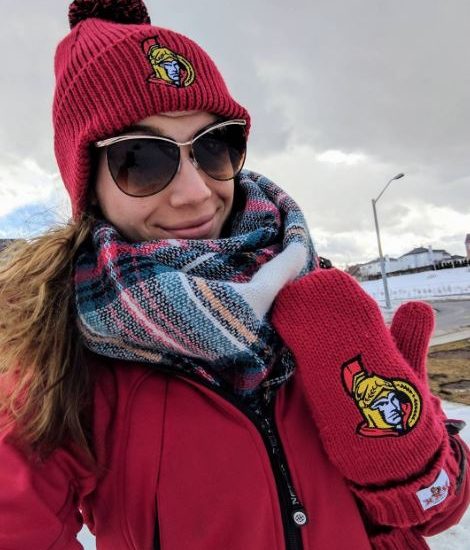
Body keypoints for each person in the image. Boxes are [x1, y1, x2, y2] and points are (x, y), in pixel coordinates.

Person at [0, 1, 468, 549]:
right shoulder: (59, 357)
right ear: (89, 189)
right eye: (140, 160)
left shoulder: (321, 297)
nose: (195, 192)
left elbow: (439, 510)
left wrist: (409, 464)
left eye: (214, 146)